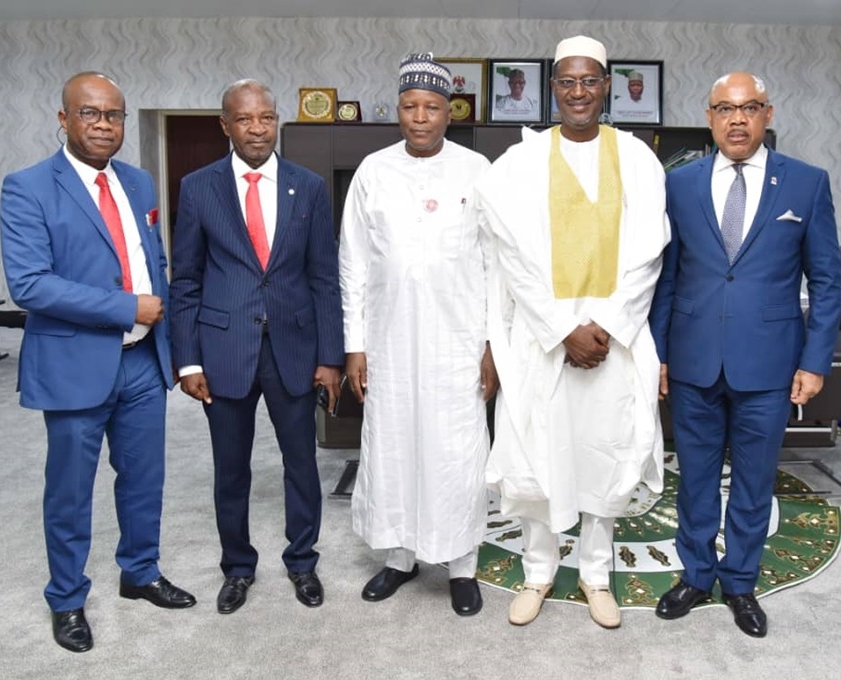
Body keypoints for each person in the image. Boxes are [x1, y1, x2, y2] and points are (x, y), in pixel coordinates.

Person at [476, 35, 669, 629]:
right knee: (539, 452)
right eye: (567, 82)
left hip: (615, 340)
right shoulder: (520, 162)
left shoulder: (637, 157)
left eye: (590, 81)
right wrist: (563, 329)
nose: (579, 92)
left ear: (606, 85)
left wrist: (604, 326)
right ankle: (537, 572)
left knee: (604, 455)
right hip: (542, 339)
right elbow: (512, 256)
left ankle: (594, 575)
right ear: (552, 89)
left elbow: (648, 253)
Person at [0, 72, 195, 653]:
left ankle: (139, 572)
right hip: (73, 364)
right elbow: (30, 285)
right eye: (90, 114)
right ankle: (66, 598)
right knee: (69, 490)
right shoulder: (28, 186)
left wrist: (170, 340)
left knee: (144, 479)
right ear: (64, 119)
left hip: (141, 363)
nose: (104, 124)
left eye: (113, 114)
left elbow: (152, 263)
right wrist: (126, 306)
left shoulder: (138, 182)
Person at [648, 72, 841, 638]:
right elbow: (667, 277)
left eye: (749, 107)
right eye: (725, 109)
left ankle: (739, 583)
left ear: (767, 114)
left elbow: (826, 280)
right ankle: (694, 575)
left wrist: (815, 360)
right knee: (694, 478)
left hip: (770, 362)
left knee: (755, 480)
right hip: (693, 358)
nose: (737, 119)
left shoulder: (805, 183)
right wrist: (658, 352)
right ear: (709, 117)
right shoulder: (678, 184)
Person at [169, 79, 343, 615]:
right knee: (232, 469)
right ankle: (238, 567)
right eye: (245, 119)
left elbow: (324, 278)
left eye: (266, 118)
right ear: (225, 125)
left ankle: (302, 562)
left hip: (293, 347)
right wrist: (188, 358)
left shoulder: (307, 186)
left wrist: (330, 356)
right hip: (224, 352)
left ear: (277, 122)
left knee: (300, 464)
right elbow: (187, 280)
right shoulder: (198, 188)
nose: (257, 128)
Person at [338, 53, 497, 617]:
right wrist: (354, 345)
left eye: (432, 106)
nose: (421, 117)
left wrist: (491, 345)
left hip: (458, 341)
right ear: (398, 111)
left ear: (448, 112)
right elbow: (352, 263)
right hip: (389, 342)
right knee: (395, 445)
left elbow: (495, 265)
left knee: (457, 451)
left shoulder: (477, 170)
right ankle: (400, 558)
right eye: (410, 106)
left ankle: (461, 566)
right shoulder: (372, 171)